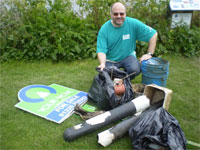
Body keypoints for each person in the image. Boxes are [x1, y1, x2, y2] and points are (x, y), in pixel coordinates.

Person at [96, 2, 158, 80]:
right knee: (105, 72)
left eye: (121, 14)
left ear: (125, 14)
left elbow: (153, 34)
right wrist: (102, 63)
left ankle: (122, 80)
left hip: (128, 56)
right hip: (110, 59)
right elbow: (101, 50)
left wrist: (149, 53)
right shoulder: (104, 29)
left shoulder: (133, 23)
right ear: (111, 14)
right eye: (116, 14)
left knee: (135, 69)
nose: (119, 16)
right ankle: (121, 79)